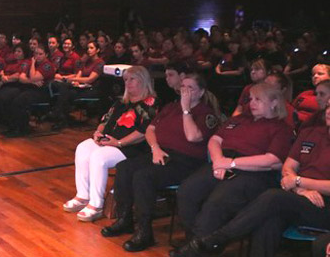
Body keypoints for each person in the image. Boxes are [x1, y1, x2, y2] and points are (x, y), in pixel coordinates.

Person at [173, 106, 330, 257]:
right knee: (269, 221)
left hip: (324, 205)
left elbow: (293, 177)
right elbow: (288, 167)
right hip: (300, 196)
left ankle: (217, 239)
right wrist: (299, 188)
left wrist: (298, 181)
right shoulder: (311, 133)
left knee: (274, 197)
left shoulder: (281, 128)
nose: (328, 111)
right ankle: (208, 243)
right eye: (329, 106)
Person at [100, 73, 221, 252]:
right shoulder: (171, 107)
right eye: (183, 87)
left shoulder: (206, 113)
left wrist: (186, 109)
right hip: (160, 152)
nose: (185, 91)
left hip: (186, 161)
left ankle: (144, 231)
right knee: (124, 167)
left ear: (201, 92)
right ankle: (124, 219)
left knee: (144, 177)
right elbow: (150, 129)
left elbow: (192, 136)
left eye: (190, 88)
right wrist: (155, 148)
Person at [172, 83, 293, 256]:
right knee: (187, 190)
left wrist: (230, 163)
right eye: (251, 99)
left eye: (258, 99)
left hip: (254, 172)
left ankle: (195, 250)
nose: (252, 103)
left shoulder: (280, 128)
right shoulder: (240, 119)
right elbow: (215, 140)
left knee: (217, 202)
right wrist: (218, 161)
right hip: (222, 162)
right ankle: (198, 243)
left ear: (274, 102)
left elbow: (272, 160)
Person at [62, 66, 157, 222]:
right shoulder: (121, 102)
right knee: (83, 148)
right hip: (110, 139)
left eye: (132, 79)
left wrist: (119, 143)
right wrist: (98, 133)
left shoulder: (150, 103)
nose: (128, 83)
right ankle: (83, 195)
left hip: (130, 147)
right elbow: (105, 121)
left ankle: (96, 204)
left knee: (99, 157)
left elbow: (143, 132)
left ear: (143, 80)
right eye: (126, 79)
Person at [50, 41, 104, 129]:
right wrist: (76, 81)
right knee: (64, 88)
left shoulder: (100, 63)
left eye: (91, 48)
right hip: (82, 87)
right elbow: (80, 72)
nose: (89, 50)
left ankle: (60, 117)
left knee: (66, 92)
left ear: (97, 50)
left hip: (92, 89)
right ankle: (61, 117)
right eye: (88, 48)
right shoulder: (87, 61)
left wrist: (74, 79)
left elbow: (90, 79)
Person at [5, 44, 57, 137]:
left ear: (46, 55)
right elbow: (21, 78)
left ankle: (21, 129)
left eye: (40, 54)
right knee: (10, 97)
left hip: (41, 93)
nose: (37, 56)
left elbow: (33, 76)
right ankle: (13, 127)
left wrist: (32, 64)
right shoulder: (31, 63)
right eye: (36, 54)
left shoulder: (47, 65)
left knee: (19, 101)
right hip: (30, 89)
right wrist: (31, 82)